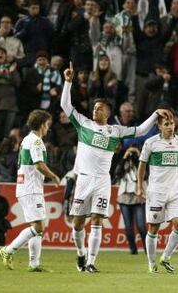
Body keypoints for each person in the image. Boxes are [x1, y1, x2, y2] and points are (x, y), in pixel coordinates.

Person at [60, 62, 172, 273]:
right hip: (83, 178)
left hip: (102, 180)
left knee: (97, 221)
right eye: (94, 108)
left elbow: (139, 130)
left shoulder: (116, 131)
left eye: (99, 108)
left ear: (108, 113)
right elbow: (66, 107)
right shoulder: (84, 124)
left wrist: (155, 114)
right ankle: (81, 254)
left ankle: (92, 262)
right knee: (77, 224)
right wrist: (68, 82)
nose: (95, 110)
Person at [0, 109, 60, 272]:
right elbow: (39, 164)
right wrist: (53, 176)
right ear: (41, 125)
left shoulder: (26, 139)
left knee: (37, 227)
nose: (48, 128)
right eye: (47, 124)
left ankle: (34, 264)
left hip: (26, 187)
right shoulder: (36, 141)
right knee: (39, 227)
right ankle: (8, 250)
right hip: (31, 188)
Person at [137, 114, 178, 273]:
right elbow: (141, 166)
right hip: (156, 192)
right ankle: (152, 264)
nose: (170, 126)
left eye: (172, 123)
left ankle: (166, 257)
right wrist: (140, 186)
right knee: (153, 228)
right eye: (166, 124)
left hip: (175, 191)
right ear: (159, 126)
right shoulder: (151, 142)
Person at [113, 145, 147, 255]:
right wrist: (125, 157)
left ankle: (148, 248)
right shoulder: (123, 161)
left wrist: (138, 155)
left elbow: (144, 175)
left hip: (138, 196)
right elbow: (117, 173)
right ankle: (133, 249)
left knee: (141, 225)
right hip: (124, 196)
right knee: (128, 226)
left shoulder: (143, 162)